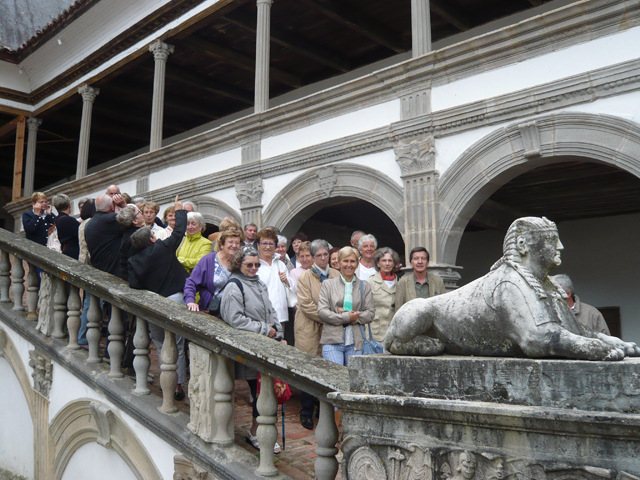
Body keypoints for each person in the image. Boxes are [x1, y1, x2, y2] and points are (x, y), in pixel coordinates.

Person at [220, 246, 283, 454]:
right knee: (261, 393)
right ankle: (257, 432)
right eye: (249, 264)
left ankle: (257, 430)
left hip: (265, 347)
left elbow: (270, 310)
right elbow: (235, 319)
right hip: (249, 349)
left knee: (265, 392)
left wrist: (278, 332)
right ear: (239, 264)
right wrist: (266, 329)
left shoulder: (259, 283)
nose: (254, 268)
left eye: (256, 264)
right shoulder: (234, 286)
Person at [128, 195, 188, 400]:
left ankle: (166, 383)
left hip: (154, 303)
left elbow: (135, 285)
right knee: (177, 345)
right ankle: (177, 387)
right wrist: (179, 210)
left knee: (161, 345)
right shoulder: (161, 247)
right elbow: (179, 232)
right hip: (175, 299)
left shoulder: (135, 261)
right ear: (152, 239)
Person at [295, 239, 339, 429]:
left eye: (325, 255)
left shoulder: (336, 274)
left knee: (328, 367)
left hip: (331, 329)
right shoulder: (305, 277)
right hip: (309, 328)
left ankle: (323, 409)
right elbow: (306, 306)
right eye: (319, 255)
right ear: (312, 258)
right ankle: (305, 410)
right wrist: (332, 316)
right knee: (309, 369)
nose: (323, 258)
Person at [318, 246, 375, 366]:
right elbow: (322, 312)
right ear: (339, 263)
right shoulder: (328, 284)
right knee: (335, 380)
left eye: (352, 261)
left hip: (356, 342)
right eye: (345, 261)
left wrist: (353, 316)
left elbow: (370, 313)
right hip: (332, 341)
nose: (349, 265)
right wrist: (346, 317)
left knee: (354, 381)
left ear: (357, 264)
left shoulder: (365, 286)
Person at [185, 229, 241, 312]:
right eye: (231, 242)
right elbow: (191, 282)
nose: (234, 245)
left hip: (233, 312)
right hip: (212, 310)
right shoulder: (208, 260)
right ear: (222, 244)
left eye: (237, 243)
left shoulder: (241, 263)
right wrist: (190, 301)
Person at [256, 229, 293, 344]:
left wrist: (287, 280)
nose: (268, 247)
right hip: (262, 318)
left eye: (271, 244)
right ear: (258, 245)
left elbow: (292, 288)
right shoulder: (254, 265)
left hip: (281, 316)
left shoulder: (281, 264)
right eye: (264, 243)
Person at [84, 194, 125, 278]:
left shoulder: (88, 224)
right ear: (111, 207)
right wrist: (124, 205)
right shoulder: (111, 219)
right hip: (114, 272)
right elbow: (133, 220)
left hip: (99, 271)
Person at [366, 247, 401, 342]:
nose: (387, 263)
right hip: (375, 333)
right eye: (383, 260)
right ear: (378, 263)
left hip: (394, 332)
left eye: (390, 260)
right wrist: (366, 335)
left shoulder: (400, 282)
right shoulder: (370, 282)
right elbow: (364, 309)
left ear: (394, 263)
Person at [117, 205, 144, 280]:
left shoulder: (128, 234)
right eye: (138, 212)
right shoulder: (136, 238)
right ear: (135, 221)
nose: (141, 213)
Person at [52, 194, 80, 259]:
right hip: (72, 254)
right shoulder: (69, 220)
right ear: (69, 205)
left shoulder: (56, 220)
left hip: (63, 251)